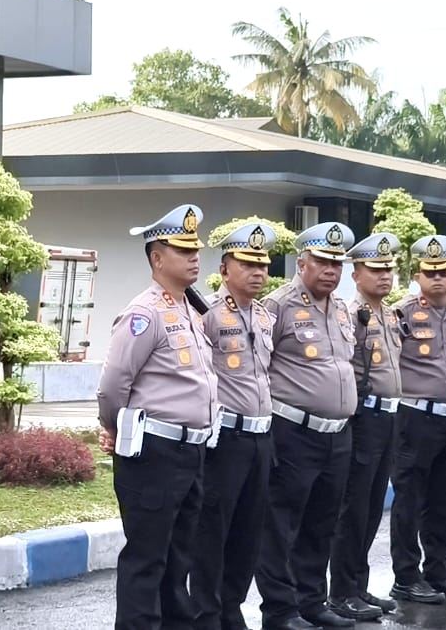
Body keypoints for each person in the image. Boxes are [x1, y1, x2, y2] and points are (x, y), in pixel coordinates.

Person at [97, 204, 218, 630]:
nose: (194, 257)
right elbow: (114, 385)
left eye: (195, 250)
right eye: (183, 250)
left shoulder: (192, 310)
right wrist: (113, 427)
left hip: (192, 451)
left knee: (179, 556)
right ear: (157, 258)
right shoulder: (143, 313)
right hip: (155, 452)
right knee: (147, 558)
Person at [255, 222, 357, 630]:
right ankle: (280, 609)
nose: (331, 270)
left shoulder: (342, 308)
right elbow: (258, 367)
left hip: (337, 434)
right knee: (281, 524)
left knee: (322, 522)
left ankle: (311, 600)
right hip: (293, 431)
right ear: (302, 263)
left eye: (336, 264)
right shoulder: (278, 305)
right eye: (322, 262)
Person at [191, 223, 276, 630]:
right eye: (247, 264)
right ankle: (206, 613)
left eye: (263, 265)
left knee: (249, 530)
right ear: (224, 269)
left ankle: (231, 607)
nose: (258, 272)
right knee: (213, 529)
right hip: (226, 437)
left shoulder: (264, 315)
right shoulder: (206, 313)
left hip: (262, 436)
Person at [388, 235, 446, 604]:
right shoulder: (401, 314)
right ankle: (406, 576)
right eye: (429, 272)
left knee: (444, 500)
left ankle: (438, 572)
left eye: (443, 272)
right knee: (409, 500)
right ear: (417, 276)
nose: (437, 278)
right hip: (415, 417)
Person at [328, 233, 403, 622]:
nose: (384, 276)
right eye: (375, 269)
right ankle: (341, 592)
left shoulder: (388, 313)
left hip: (389, 416)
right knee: (354, 507)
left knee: (373, 506)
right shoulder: (349, 312)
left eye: (388, 269)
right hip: (364, 418)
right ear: (356, 274)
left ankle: (359, 585)